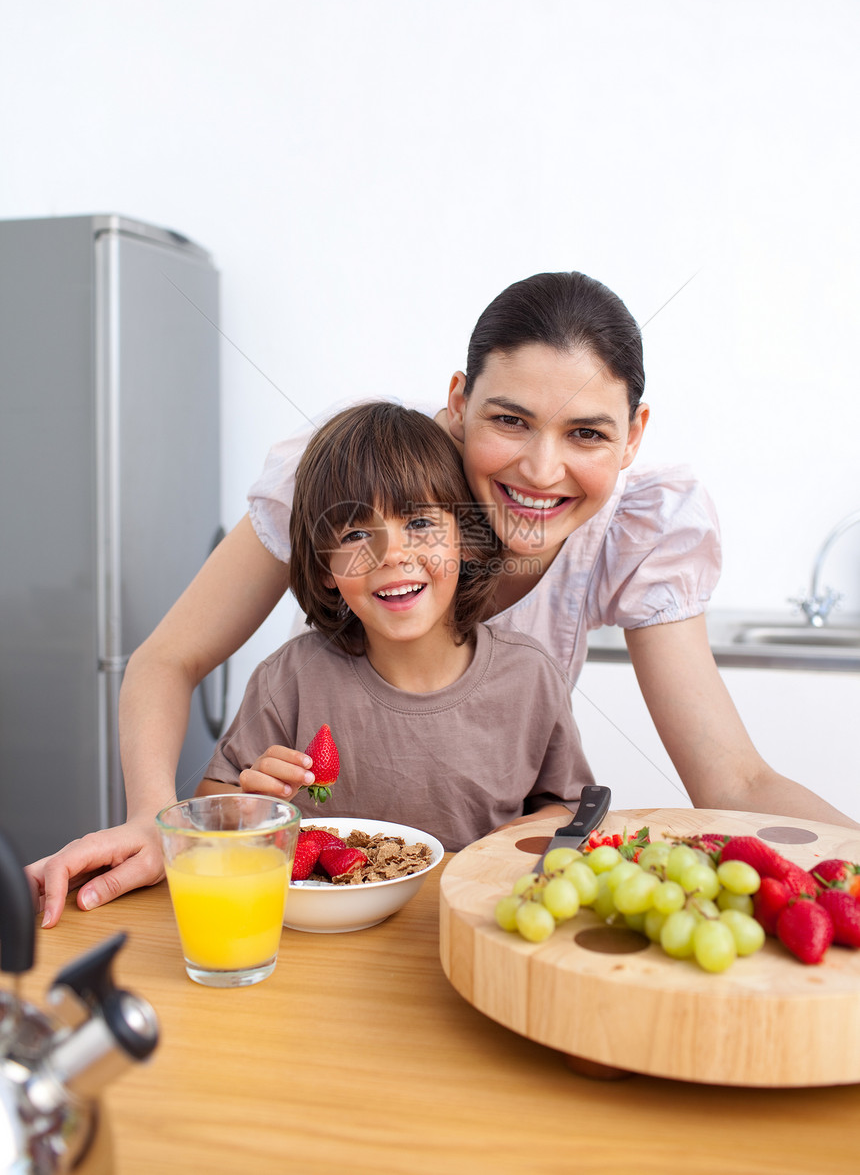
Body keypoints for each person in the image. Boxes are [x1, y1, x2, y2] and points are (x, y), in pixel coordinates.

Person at [29, 270, 857, 927]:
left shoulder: (641, 529)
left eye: (587, 433)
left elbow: (736, 780)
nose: (540, 469)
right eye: (509, 419)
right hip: (324, 907)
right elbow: (167, 660)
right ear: (459, 401)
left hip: (476, 909)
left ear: (634, 435)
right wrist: (152, 818)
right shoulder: (348, 477)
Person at [194, 401, 594, 851]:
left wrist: (510, 840)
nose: (391, 554)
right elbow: (209, 804)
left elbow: (569, 807)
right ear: (326, 568)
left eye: (420, 523)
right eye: (356, 535)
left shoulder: (530, 675)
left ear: (465, 541)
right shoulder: (289, 678)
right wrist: (252, 804)